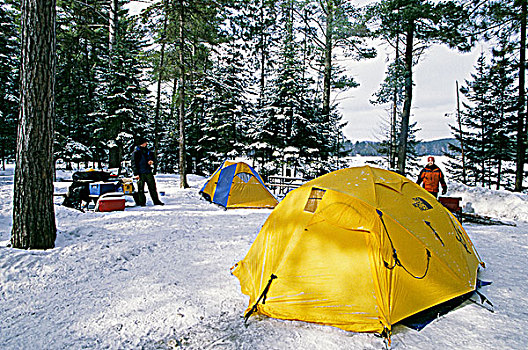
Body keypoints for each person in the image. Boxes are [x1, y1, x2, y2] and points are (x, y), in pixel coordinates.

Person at [132, 137, 164, 206]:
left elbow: (152, 157)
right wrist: (136, 173)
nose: (146, 144)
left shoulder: (147, 151)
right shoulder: (136, 152)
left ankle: (156, 201)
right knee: (140, 189)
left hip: (148, 171)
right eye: (145, 142)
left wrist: (151, 161)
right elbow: (133, 163)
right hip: (140, 173)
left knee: (152, 187)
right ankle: (142, 203)